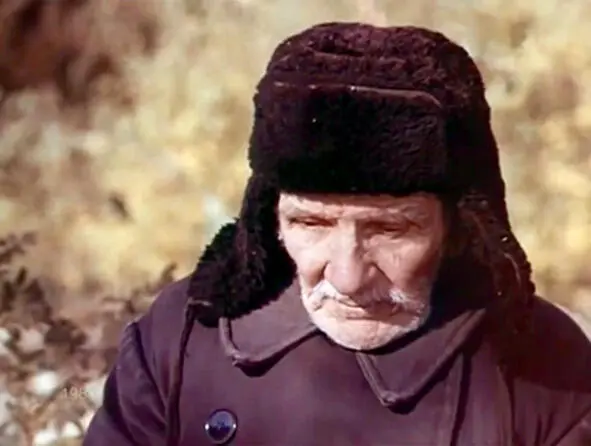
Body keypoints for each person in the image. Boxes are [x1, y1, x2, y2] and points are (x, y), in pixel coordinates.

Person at [84, 22, 591, 445]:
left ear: (460, 225)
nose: (348, 277)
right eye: (311, 223)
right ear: (269, 219)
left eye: (390, 229)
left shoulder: (545, 367)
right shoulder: (179, 340)